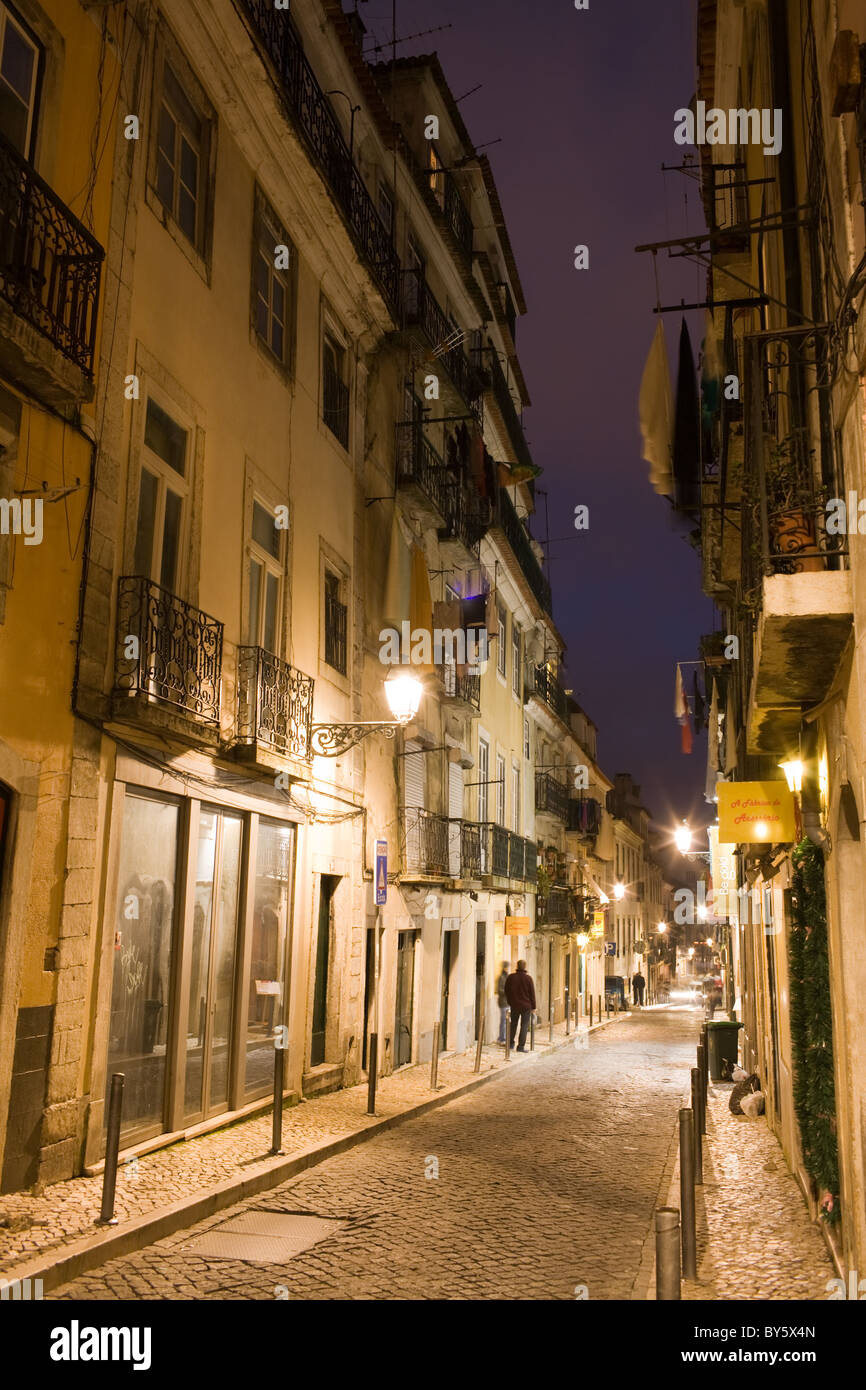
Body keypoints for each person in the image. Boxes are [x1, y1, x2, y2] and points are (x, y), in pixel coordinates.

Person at [505, 959, 537, 1052]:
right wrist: (533, 1007)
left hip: (514, 1005)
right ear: (525, 967)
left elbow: (506, 990)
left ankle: (510, 1044)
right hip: (526, 1006)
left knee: (513, 1025)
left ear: (517, 966)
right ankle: (520, 1047)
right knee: (524, 1026)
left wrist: (510, 1001)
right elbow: (532, 994)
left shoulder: (511, 977)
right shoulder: (528, 979)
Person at [496, 960, 510, 1044]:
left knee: (505, 1020)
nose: (508, 968)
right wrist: (508, 991)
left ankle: (501, 1037)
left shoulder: (507, 976)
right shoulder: (501, 977)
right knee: (504, 1021)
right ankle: (502, 1038)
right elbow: (500, 990)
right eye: (507, 967)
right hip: (503, 1002)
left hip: (507, 1001)